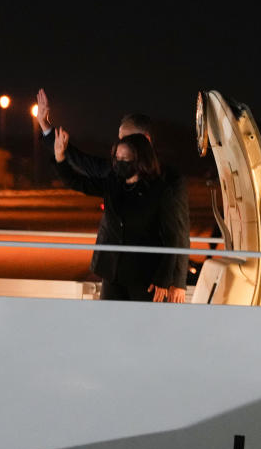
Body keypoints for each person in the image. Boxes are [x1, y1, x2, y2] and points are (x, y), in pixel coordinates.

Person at [36, 88, 190, 302]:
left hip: (147, 275)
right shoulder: (116, 173)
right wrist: (46, 128)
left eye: (124, 140)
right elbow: (80, 165)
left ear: (143, 139)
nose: (119, 147)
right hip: (113, 271)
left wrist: (176, 282)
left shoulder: (169, 180)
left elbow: (178, 234)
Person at [52, 127, 183, 302]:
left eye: (125, 159)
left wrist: (164, 278)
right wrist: (60, 157)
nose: (119, 163)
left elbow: (172, 237)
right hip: (112, 274)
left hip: (145, 277)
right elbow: (77, 183)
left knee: (142, 326)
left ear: (140, 160)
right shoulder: (113, 183)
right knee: (110, 323)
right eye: (117, 158)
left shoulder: (160, 191)